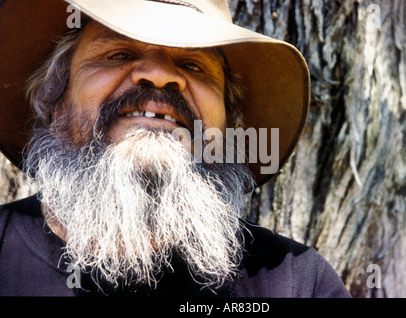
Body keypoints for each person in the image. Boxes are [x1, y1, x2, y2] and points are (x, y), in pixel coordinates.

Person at [0, 0, 351, 297]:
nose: (158, 74)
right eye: (119, 53)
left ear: (227, 125)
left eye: (192, 64)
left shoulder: (296, 282)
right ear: (56, 104)